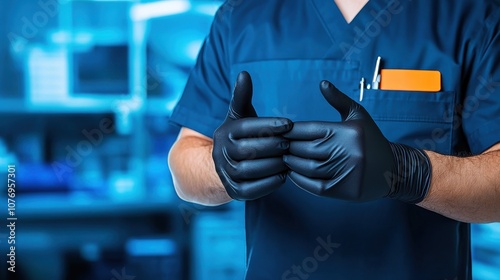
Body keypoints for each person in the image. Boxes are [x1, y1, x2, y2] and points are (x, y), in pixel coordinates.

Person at [168, 0, 500, 278]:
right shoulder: (241, 15)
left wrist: (409, 172)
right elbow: (185, 163)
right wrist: (222, 167)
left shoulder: (474, 14)